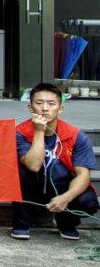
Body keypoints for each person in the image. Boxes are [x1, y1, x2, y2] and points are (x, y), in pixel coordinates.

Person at [12, 83, 99, 241]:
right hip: (32, 188)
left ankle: (66, 222)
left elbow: (83, 175)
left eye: (51, 104)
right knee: (21, 170)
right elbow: (33, 165)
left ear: (60, 109)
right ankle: (22, 222)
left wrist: (66, 197)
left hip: (61, 187)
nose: (45, 108)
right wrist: (39, 131)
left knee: (88, 201)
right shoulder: (20, 133)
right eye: (39, 103)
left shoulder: (76, 136)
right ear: (30, 107)